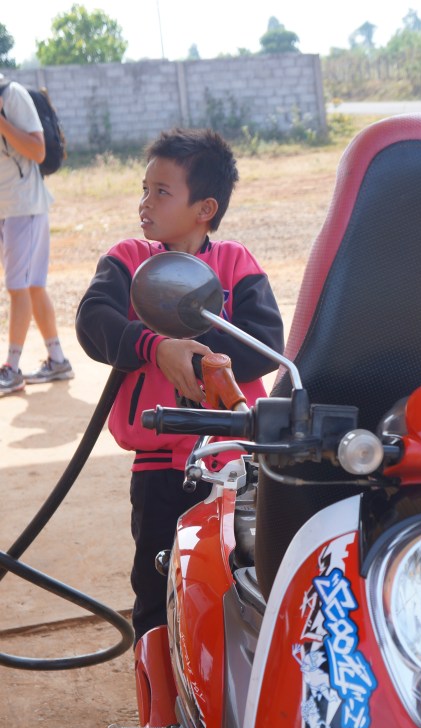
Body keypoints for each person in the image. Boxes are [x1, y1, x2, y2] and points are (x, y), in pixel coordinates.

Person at [76, 127, 284, 646]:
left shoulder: (236, 264)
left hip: (233, 466)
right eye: (144, 189)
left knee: (240, 581)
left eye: (161, 192)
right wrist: (153, 345)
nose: (145, 203)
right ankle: (161, 709)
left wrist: (192, 334)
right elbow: (93, 321)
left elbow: (265, 342)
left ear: (205, 207)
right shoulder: (128, 258)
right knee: (155, 588)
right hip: (158, 469)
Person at [0, 73, 73, 396]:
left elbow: (38, 150)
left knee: (19, 288)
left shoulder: (12, 95)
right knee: (31, 286)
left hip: (23, 206)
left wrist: (1, 121)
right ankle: (57, 360)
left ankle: (11, 369)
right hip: (8, 207)